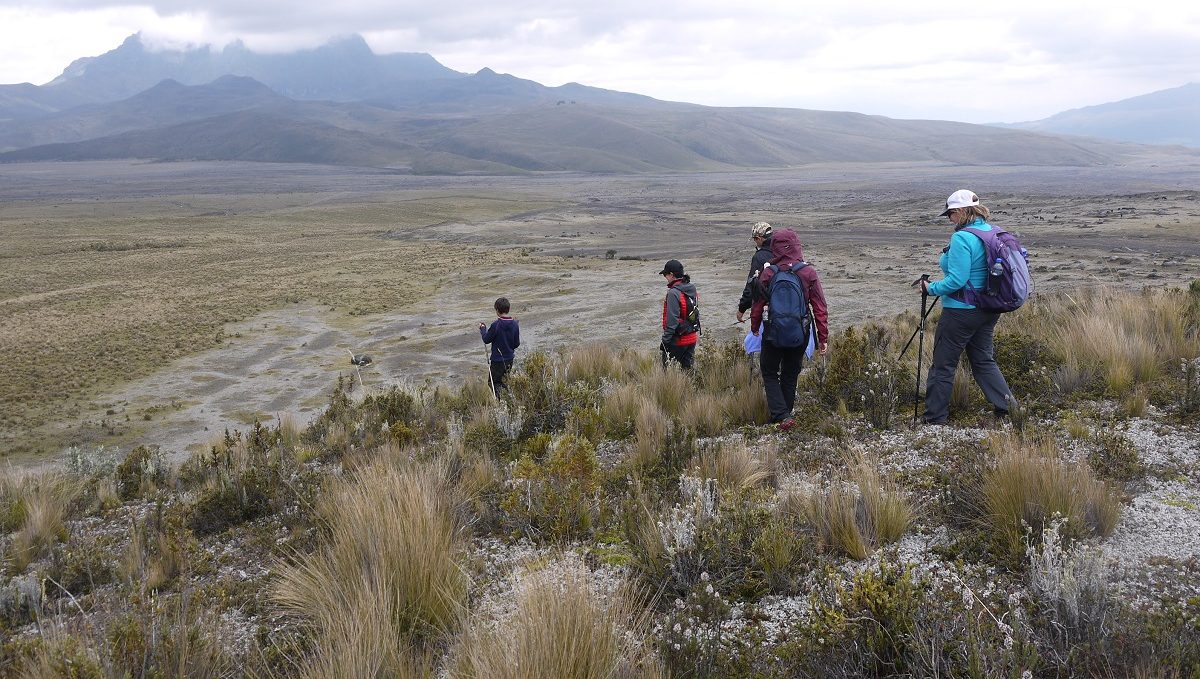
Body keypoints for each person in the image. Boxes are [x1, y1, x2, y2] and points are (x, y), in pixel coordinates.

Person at [919, 190, 1016, 424]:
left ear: (962, 211)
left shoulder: (962, 238)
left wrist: (930, 288)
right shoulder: (992, 232)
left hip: (961, 312)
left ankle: (934, 419)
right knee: (983, 360)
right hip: (988, 309)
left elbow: (957, 280)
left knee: (943, 365)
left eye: (951, 213)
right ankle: (1009, 408)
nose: (949, 218)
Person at [749, 228, 829, 429]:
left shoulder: (769, 272)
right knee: (790, 372)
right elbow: (819, 306)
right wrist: (823, 337)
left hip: (773, 331)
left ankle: (781, 415)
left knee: (769, 371)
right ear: (796, 245)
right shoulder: (808, 272)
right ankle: (786, 414)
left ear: (774, 246)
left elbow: (758, 302)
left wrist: (755, 325)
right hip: (800, 332)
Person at [659, 259, 700, 370]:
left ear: (671, 275)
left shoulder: (673, 293)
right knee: (688, 372)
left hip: (677, 340)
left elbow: (672, 321)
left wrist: (665, 341)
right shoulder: (692, 288)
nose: (665, 278)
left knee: (669, 373)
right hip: (691, 338)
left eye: (665, 275)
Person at [479, 297, 520, 397]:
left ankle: (501, 404)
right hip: (510, 358)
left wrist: (483, 329)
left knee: (493, 383)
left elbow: (486, 339)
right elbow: (517, 343)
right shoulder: (515, 324)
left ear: (497, 310)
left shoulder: (496, 325)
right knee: (504, 382)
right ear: (508, 309)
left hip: (497, 360)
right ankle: (508, 400)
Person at [736, 221, 774, 324]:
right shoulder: (784, 252)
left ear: (759, 238)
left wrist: (741, 309)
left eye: (755, 240)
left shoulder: (760, 257)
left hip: (768, 310)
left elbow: (752, 286)